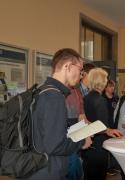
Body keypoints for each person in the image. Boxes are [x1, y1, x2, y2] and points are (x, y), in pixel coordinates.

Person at [26, 48, 92, 180]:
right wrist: (82, 142)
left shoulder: (41, 90)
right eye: (80, 70)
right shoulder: (54, 97)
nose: (81, 75)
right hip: (47, 170)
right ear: (67, 66)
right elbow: (55, 145)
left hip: (34, 166)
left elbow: (45, 134)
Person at [82, 68, 123, 180]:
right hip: (99, 145)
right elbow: (102, 125)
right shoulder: (100, 100)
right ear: (102, 82)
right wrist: (110, 130)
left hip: (88, 143)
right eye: (105, 78)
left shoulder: (86, 97)